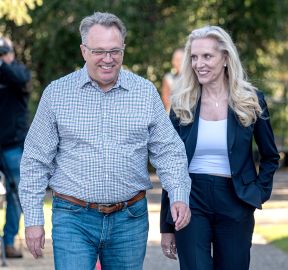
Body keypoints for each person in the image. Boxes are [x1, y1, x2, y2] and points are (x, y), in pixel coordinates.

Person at [19, 12, 191, 269]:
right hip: (72, 218)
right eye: (99, 51)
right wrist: (33, 219)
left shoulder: (144, 92)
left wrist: (178, 194)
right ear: (83, 51)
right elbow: (35, 159)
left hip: (129, 220)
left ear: (123, 50)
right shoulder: (57, 94)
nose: (108, 59)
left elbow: (168, 151)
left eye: (115, 51)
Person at [160, 25, 279, 269]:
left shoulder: (251, 100)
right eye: (194, 57)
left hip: (236, 200)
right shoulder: (182, 103)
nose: (198, 63)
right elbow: (170, 164)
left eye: (207, 56)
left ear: (225, 58)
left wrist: (258, 193)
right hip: (191, 198)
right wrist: (167, 225)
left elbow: (270, 156)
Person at [0, 36, 31, 258]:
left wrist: (4, 63)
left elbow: (20, 80)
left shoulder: (18, 71)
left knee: (15, 192)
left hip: (12, 145)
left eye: (4, 51)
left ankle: (8, 241)